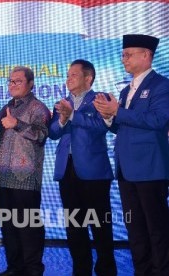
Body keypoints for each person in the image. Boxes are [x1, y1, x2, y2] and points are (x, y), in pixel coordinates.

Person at [94, 34, 169, 275]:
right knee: (134, 228)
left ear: (146, 55)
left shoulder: (161, 85)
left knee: (156, 228)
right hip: (126, 168)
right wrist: (108, 117)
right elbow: (121, 125)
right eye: (123, 54)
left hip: (150, 167)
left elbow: (158, 120)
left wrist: (118, 111)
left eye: (128, 54)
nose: (123, 58)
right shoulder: (126, 89)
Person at [49, 60, 116, 276]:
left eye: (74, 75)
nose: (68, 79)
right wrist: (61, 119)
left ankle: (106, 271)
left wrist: (73, 116)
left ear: (88, 78)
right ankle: (81, 270)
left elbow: (101, 127)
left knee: (100, 227)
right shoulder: (62, 102)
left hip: (94, 172)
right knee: (75, 227)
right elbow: (52, 132)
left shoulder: (100, 100)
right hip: (67, 171)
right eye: (67, 75)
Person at [0, 66, 50, 276]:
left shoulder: (38, 108)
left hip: (24, 178)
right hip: (1, 177)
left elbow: (42, 135)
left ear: (30, 84)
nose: (12, 85)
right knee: (8, 228)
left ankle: (33, 270)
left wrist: (17, 124)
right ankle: (14, 268)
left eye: (18, 81)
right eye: (10, 81)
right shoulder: (5, 107)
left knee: (28, 228)